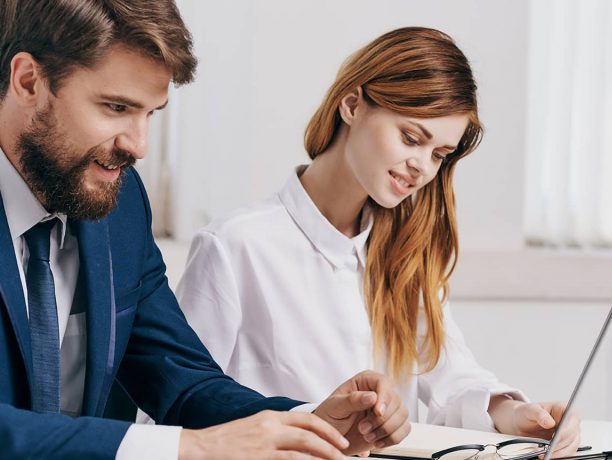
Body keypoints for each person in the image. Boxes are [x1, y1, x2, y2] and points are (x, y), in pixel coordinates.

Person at [0, 1, 410, 458]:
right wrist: (186, 450)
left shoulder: (115, 200)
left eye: (151, 114)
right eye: (116, 108)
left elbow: (183, 381)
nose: (137, 145)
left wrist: (308, 425)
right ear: (28, 80)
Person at [175, 27, 582, 456]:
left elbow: (450, 375)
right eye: (411, 138)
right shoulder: (236, 245)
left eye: (439, 155)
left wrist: (514, 412)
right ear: (352, 105)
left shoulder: (404, 251)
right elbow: (177, 406)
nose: (422, 167)